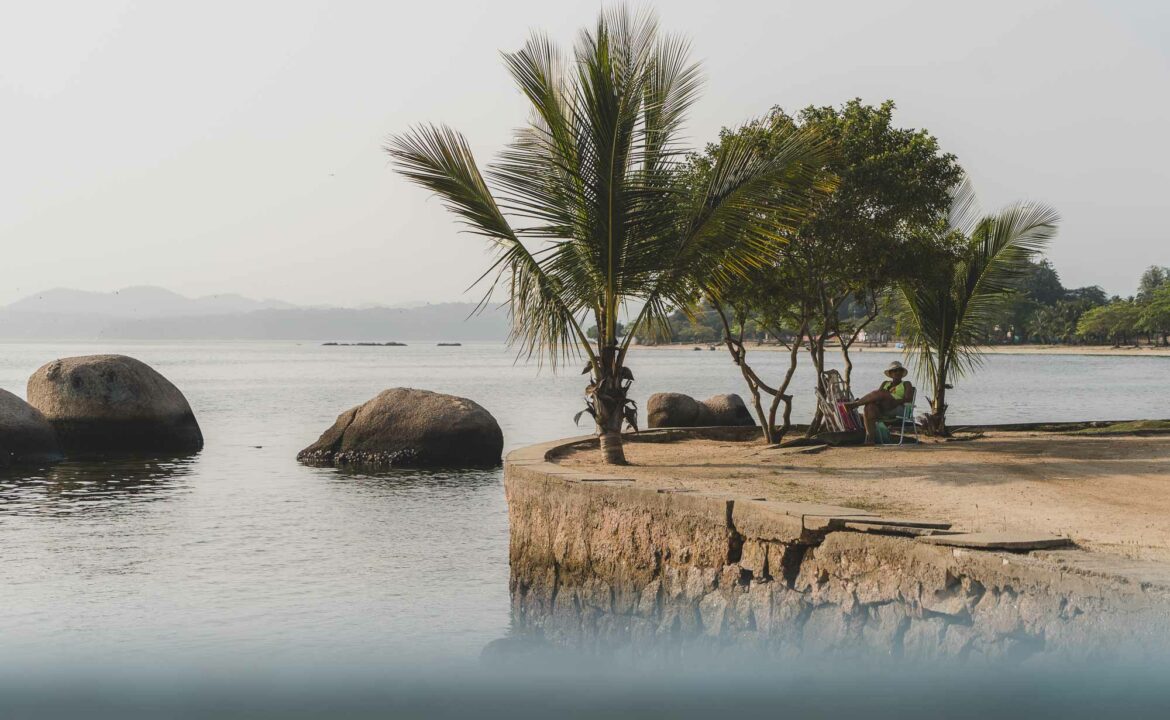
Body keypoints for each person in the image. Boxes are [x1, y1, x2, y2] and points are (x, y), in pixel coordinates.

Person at [846, 361, 913, 445]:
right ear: (890, 373)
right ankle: (870, 439)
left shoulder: (906, 384)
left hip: (898, 408)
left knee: (882, 392)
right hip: (883, 408)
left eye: (900, 370)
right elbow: (877, 396)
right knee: (869, 407)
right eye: (895, 371)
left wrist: (895, 402)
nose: (898, 372)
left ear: (902, 372)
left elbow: (908, 398)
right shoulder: (885, 383)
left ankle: (856, 404)